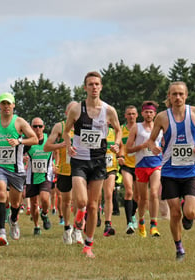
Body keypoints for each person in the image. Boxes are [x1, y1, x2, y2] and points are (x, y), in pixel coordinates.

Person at [147, 81, 195, 261]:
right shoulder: (162, 117)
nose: (177, 97)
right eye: (174, 94)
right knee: (174, 213)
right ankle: (179, 249)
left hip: (191, 170)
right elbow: (151, 140)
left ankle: (189, 217)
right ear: (169, 96)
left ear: (186, 95)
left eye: (180, 94)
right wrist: (153, 147)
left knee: (190, 212)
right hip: (169, 171)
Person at [64, 71, 121, 258]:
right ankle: (78, 219)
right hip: (79, 160)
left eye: (97, 84)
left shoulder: (109, 110)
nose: (94, 87)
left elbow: (118, 131)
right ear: (85, 87)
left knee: (94, 206)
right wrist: (68, 146)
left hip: (98, 161)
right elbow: (66, 132)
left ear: (101, 87)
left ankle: (88, 245)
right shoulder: (76, 110)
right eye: (90, 84)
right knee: (82, 201)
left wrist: (117, 143)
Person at [0, 92, 38, 246]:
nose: (6, 106)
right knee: (0, 192)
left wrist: (19, 141)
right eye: (3, 104)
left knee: (15, 202)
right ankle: (1, 233)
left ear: (13, 105)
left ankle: (13, 220)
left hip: (16, 168)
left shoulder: (19, 122)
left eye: (9, 104)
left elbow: (34, 139)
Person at [44, 101, 84, 245]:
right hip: (65, 170)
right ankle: (67, 228)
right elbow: (47, 147)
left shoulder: (85, 126)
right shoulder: (59, 127)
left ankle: (78, 231)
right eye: (71, 110)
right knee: (66, 201)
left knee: (80, 201)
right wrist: (61, 144)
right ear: (67, 113)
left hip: (81, 168)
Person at [126, 101, 163, 238]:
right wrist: (142, 146)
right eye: (146, 112)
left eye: (151, 112)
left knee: (154, 193)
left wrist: (160, 149)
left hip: (156, 164)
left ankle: (154, 225)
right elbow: (128, 149)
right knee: (142, 198)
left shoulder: (159, 128)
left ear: (155, 114)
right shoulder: (136, 128)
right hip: (141, 165)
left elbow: (165, 144)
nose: (149, 114)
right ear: (142, 113)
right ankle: (141, 221)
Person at [24, 117, 53, 236]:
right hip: (31, 176)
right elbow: (18, 154)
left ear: (43, 127)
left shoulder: (48, 139)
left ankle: (45, 213)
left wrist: (55, 163)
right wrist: (23, 158)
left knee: (45, 198)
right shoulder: (28, 142)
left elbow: (55, 151)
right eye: (35, 126)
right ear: (31, 128)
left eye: (40, 126)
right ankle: (36, 226)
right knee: (34, 203)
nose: (37, 129)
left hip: (46, 174)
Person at [119, 105, 139, 234]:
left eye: (133, 114)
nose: (131, 116)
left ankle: (133, 214)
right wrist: (119, 156)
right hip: (126, 164)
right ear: (125, 115)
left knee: (138, 196)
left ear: (137, 115)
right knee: (129, 192)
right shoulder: (121, 130)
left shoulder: (141, 128)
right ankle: (129, 223)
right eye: (129, 114)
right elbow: (119, 145)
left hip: (140, 165)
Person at [102, 125, 121, 237]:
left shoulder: (114, 132)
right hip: (96, 167)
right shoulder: (93, 130)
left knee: (109, 194)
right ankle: (96, 216)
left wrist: (120, 154)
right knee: (96, 197)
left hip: (111, 167)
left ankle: (108, 224)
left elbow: (121, 146)